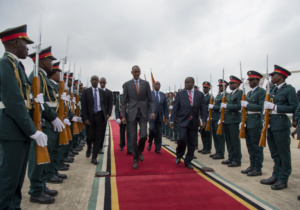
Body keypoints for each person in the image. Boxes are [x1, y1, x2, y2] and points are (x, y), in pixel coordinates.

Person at [0, 24, 47, 209]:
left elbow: (23, 98)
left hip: (18, 130)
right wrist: (32, 130)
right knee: (8, 179)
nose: (28, 48)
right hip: (12, 130)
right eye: (25, 44)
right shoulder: (5, 65)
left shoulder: (15, 65)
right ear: (15, 42)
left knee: (17, 180)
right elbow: (14, 103)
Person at [27, 46, 65, 204]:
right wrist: (54, 117)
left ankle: (41, 186)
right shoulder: (36, 76)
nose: (52, 63)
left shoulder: (42, 77)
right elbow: (38, 103)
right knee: (38, 157)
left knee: (45, 156)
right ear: (42, 61)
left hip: (49, 123)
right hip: (43, 123)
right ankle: (36, 190)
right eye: (49, 60)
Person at [260, 65, 298, 190]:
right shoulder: (272, 90)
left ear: (280, 76)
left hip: (281, 125)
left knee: (283, 153)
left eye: (273, 75)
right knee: (275, 153)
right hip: (270, 125)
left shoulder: (289, 90)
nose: (271, 77)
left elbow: (294, 107)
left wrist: (276, 107)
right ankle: (275, 175)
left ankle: (283, 179)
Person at [121, 65, 155, 169]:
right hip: (132, 113)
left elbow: (150, 99)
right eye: (135, 72)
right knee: (133, 137)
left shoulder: (146, 84)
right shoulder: (127, 84)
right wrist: (123, 115)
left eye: (138, 72)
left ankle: (140, 150)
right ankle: (135, 159)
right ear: (131, 72)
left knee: (144, 135)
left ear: (140, 73)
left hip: (143, 113)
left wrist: (152, 111)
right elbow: (124, 101)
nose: (136, 73)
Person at [170, 77, 207, 169]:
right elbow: (175, 108)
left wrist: (204, 120)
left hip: (194, 121)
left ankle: (188, 161)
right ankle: (179, 155)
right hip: (182, 121)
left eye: (188, 82)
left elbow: (203, 108)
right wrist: (172, 120)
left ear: (193, 83)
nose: (186, 84)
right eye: (185, 82)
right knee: (182, 139)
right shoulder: (180, 94)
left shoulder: (200, 94)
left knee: (192, 142)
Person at [240, 71, 265, 176]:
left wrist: (248, 104)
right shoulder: (249, 93)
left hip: (255, 122)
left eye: (251, 80)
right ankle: (252, 165)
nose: (249, 82)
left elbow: (261, 107)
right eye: (249, 80)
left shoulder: (261, 92)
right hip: (248, 122)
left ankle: (258, 168)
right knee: (249, 145)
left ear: (257, 80)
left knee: (256, 146)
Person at [47, 62, 68, 180]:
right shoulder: (50, 84)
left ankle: (54, 170)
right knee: (52, 149)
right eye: (58, 73)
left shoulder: (55, 86)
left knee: (57, 147)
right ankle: (50, 173)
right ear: (53, 74)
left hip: (57, 119)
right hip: (51, 120)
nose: (59, 75)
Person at [81, 75, 107, 165]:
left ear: (98, 82)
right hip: (90, 117)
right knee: (90, 137)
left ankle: (94, 158)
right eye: (93, 80)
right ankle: (89, 147)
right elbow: (83, 106)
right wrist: (85, 119)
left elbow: (104, 105)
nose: (95, 81)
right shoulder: (86, 92)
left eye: (96, 80)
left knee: (98, 138)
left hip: (99, 116)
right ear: (91, 81)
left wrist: (105, 117)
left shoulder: (101, 92)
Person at [221, 76, 243, 167]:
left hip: (234, 120)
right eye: (229, 83)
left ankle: (237, 159)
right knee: (228, 140)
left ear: (237, 84)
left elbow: (239, 105)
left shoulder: (240, 93)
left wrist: (227, 106)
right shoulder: (230, 94)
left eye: (231, 83)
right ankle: (231, 157)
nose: (229, 85)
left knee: (235, 141)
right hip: (227, 119)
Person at [147, 81, 169, 153]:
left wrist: (166, 117)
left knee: (158, 133)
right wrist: (147, 115)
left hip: (159, 117)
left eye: (159, 84)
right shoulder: (150, 94)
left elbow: (165, 107)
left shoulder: (163, 95)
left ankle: (158, 148)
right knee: (152, 129)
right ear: (153, 86)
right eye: (156, 84)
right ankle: (150, 142)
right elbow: (147, 105)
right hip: (152, 116)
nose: (157, 85)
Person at [209, 79, 228, 160]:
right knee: (215, 136)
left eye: (221, 86)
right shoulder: (218, 95)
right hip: (214, 117)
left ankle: (221, 153)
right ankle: (217, 151)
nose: (219, 87)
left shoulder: (226, 95)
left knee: (220, 136)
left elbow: (222, 107)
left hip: (220, 118)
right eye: (219, 86)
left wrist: (214, 107)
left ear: (225, 87)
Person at [99, 77, 113, 154]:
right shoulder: (96, 92)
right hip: (97, 115)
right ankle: (94, 147)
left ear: (105, 83)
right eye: (101, 82)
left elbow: (110, 104)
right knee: (95, 133)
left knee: (102, 132)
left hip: (105, 116)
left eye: (103, 82)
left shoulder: (109, 93)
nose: (102, 84)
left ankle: (100, 148)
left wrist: (108, 114)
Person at [198, 81, 212, 154]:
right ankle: (204, 147)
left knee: (207, 133)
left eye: (206, 88)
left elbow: (208, 107)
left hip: (207, 117)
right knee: (202, 132)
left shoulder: (210, 96)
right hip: (202, 117)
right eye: (204, 87)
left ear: (209, 88)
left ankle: (208, 148)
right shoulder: (202, 96)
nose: (205, 89)